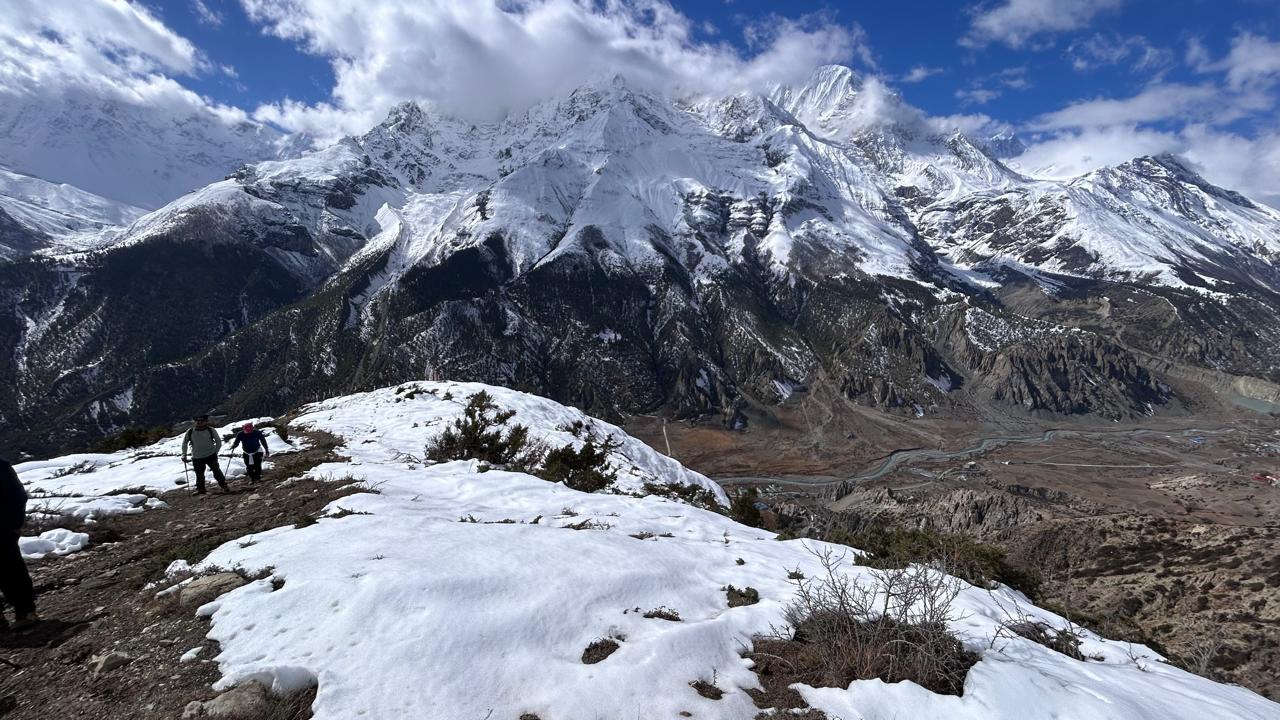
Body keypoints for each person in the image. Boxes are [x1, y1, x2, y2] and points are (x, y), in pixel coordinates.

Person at [0, 457, 38, 629]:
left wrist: (15, 524)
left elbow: (17, 496)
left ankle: (26, 611)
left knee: (11, 570)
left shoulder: (1, 466)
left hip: (2, 529)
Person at [181, 415, 229, 495]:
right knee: (201, 474)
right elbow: (184, 443)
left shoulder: (209, 430)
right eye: (197, 420)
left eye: (202, 420)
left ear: (206, 421)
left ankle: (223, 486)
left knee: (215, 471)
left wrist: (215, 452)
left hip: (204, 456)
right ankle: (202, 489)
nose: (199, 422)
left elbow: (218, 442)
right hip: (199, 456)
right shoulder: (191, 431)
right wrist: (184, 454)